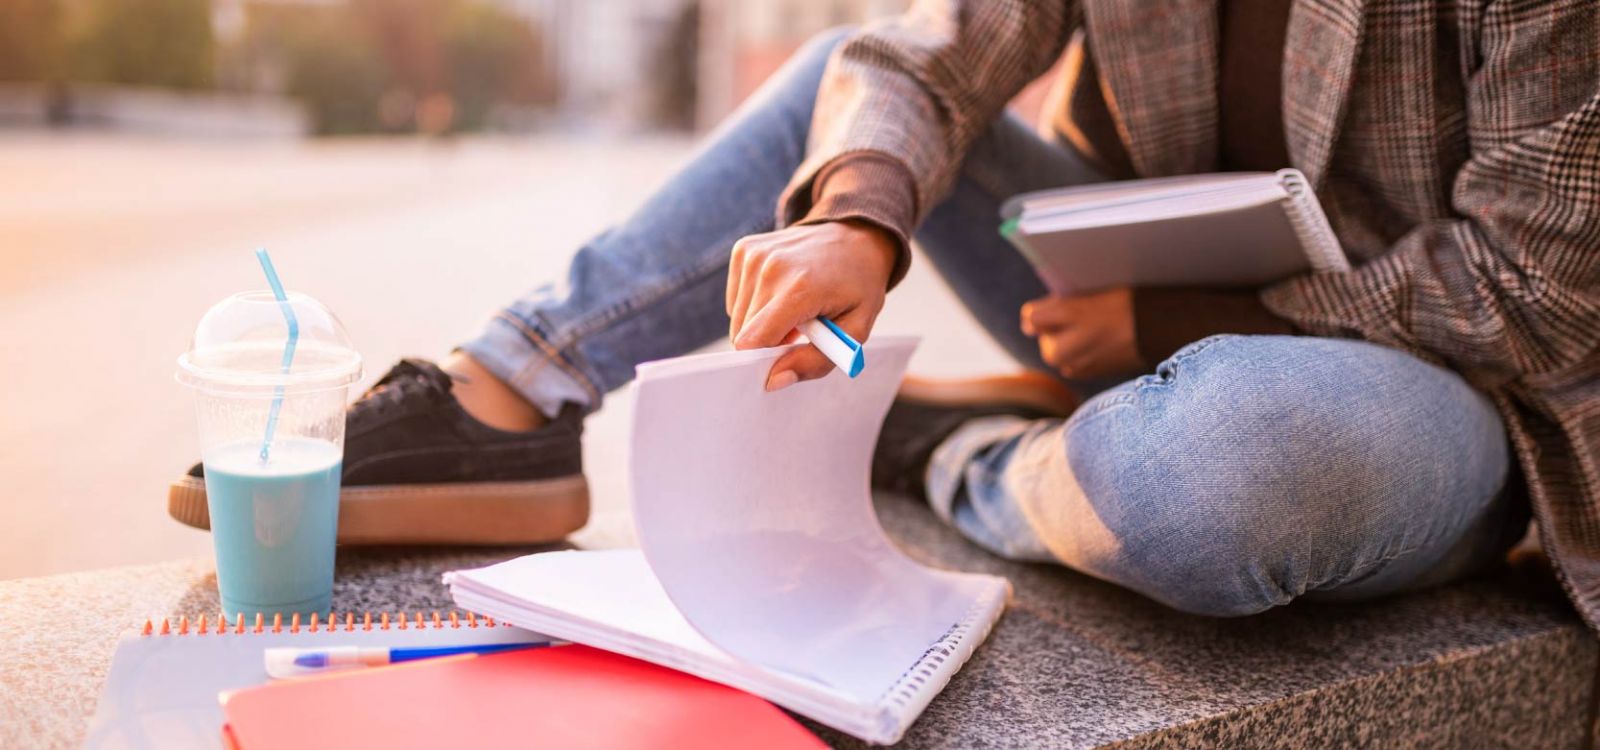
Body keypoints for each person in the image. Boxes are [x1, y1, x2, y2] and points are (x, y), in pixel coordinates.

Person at [170, 0, 1599, 621]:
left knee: (1214, 469)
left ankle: (949, 452)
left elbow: (1537, 291)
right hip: (1151, 300)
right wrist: (856, 216)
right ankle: (517, 391)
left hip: (1460, 398)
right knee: (848, 95)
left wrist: (1167, 324)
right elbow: (924, 58)